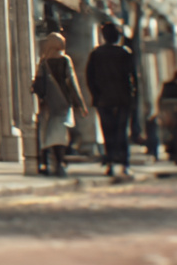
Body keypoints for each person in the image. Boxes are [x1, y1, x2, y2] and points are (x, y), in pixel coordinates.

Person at [85, 22, 138, 176]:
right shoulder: (124, 52)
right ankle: (124, 163)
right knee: (122, 131)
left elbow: (89, 78)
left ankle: (110, 162)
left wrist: (96, 95)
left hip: (103, 99)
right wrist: (133, 96)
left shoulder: (96, 54)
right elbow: (133, 77)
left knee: (108, 131)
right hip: (122, 98)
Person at [32, 32, 87, 177]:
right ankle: (59, 162)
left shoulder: (44, 62)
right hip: (63, 102)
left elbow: (38, 84)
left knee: (47, 133)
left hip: (47, 103)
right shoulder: (65, 60)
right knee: (61, 134)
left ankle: (46, 163)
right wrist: (80, 103)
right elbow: (72, 83)